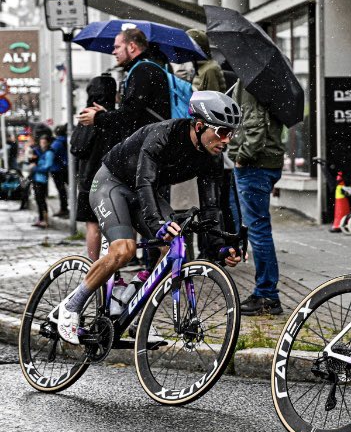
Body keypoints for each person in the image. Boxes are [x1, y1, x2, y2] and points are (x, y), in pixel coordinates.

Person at [52, 91, 243, 344]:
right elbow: (145, 181)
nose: (226, 140)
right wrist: (158, 224)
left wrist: (221, 246)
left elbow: (211, 208)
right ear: (199, 126)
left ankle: (134, 308)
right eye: (222, 132)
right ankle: (70, 307)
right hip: (112, 183)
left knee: (175, 246)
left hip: (143, 191)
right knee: (124, 250)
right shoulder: (163, 135)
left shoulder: (212, 157)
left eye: (231, 133)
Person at [229, 79, 286, 316]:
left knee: (258, 229)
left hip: (255, 164)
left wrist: (242, 156)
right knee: (259, 227)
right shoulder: (268, 81)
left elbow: (254, 125)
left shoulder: (251, 81)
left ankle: (267, 295)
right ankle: (266, 292)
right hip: (267, 161)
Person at [78, 26, 171, 141]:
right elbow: (136, 112)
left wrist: (98, 117)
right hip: (153, 139)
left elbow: (130, 114)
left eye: (117, 47)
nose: (114, 52)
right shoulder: (147, 67)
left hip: (150, 142)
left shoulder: (142, 70)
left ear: (132, 46)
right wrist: (106, 114)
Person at [73, 74, 119, 259]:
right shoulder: (116, 117)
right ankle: (115, 267)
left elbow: (77, 148)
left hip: (88, 179)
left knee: (92, 225)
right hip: (113, 177)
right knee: (117, 223)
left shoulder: (87, 116)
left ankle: (93, 266)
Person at [30, 134, 53, 227]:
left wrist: (35, 168)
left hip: (42, 179)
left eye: (44, 142)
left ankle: (45, 220)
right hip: (36, 178)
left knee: (41, 199)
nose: (42, 144)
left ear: (48, 143)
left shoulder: (49, 153)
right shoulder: (39, 152)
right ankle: (40, 219)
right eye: (41, 142)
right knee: (38, 200)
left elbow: (47, 167)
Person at [50, 125, 69, 218]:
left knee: (61, 190)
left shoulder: (56, 143)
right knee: (65, 189)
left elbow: (50, 156)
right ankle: (67, 208)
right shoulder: (66, 141)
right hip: (65, 168)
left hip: (57, 169)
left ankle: (64, 208)